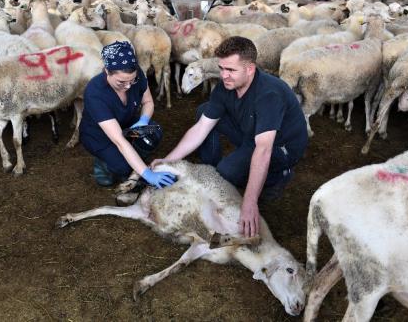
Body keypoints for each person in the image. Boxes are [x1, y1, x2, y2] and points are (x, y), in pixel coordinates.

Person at [152, 36, 308, 237]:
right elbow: (201, 128)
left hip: (280, 146)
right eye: (222, 68)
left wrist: (249, 202)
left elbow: (263, 149)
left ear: (250, 69)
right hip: (251, 132)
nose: (224, 75)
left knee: (228, 171)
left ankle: (277, 177)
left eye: (231, 70)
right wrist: (169, 161)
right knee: (204, 111)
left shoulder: (269, 94)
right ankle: (211, 171)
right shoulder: (225, 87)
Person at [80, 41, 175, 189]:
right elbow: (119, 140)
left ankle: (132, 156)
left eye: (132, 80)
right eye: (121, 82)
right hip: (100, 137)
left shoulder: (137, 74)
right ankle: (103, 162)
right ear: (107, 71)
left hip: (127, 127)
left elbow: (148, 102)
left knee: (153, 132)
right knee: (124, 168)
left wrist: (143, 120)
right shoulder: (95, 93)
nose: (129, 86)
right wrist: (147, 174)